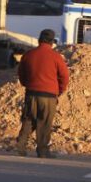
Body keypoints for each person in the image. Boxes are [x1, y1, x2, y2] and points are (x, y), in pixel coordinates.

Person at [16, 28, 69, 158]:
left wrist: (27, 84)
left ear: (39, 40)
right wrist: (60, 90)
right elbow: (64, 76)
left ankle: (20, 147)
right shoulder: (56, 57)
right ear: (52, 42)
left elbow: (21, 74)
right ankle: (42, 151)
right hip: (49, 96)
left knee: (28, 120)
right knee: (44, 123)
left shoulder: (28, 55)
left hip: (31, 93)